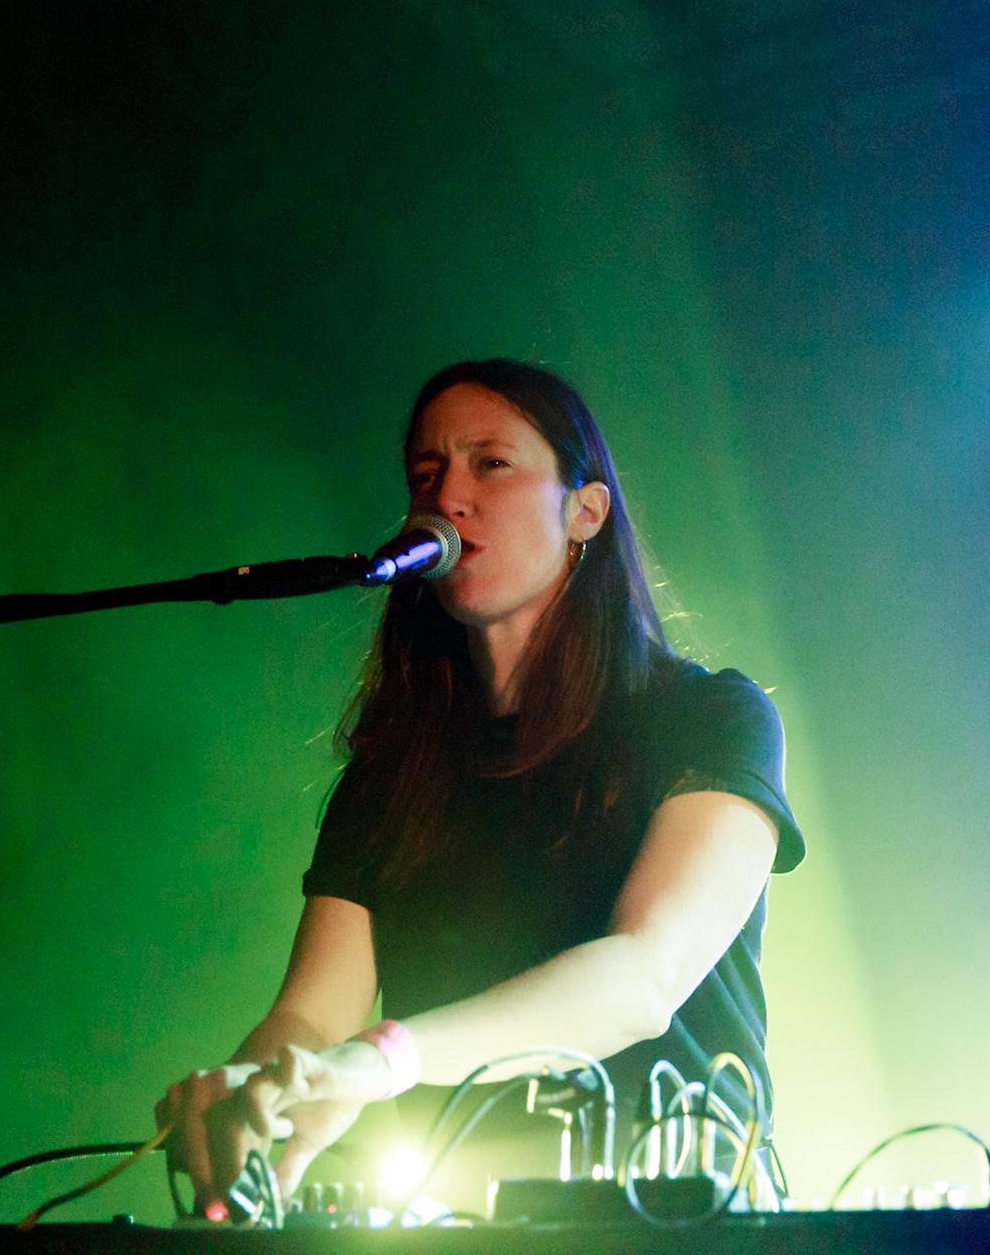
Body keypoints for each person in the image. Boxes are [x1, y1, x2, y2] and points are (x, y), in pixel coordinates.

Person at [157, 359, 804, 1216]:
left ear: (586, 511)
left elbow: (644, 976)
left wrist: (384, 1059)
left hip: (675, 1221)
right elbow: (312, 1016)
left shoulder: (713, 717)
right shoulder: (394, 777)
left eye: (490, 464)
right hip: (455, 1220)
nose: (448, 498)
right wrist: (255, 1086)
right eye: (427, 475)